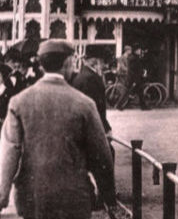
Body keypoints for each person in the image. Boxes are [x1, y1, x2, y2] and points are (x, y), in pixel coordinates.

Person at [0, 40, 118, 218]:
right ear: (67, 63)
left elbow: (9, 152)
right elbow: (100, 155)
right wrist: (109, 198)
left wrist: (2, 196)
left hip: (32, 197)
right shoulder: (84, 103)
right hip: (74, 196)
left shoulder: (19, 102)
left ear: (41, 65)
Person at [71, 46, 112, 135]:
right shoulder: (91, 79)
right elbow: (95, 107)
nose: (104, 66)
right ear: (96, 61)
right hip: (91, 129)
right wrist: (106, 128)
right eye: (103, 62)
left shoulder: (82, 75)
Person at [121, 44, 149, 111]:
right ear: (136, 51)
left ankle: (143, 106)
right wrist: (138, 77)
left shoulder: (135, 57)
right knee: (128, 93)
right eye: (139, 50)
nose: (140, 51)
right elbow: (134, 70)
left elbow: (137, 68)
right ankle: (120, 105)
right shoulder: (134, 58)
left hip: (136, 79)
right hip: (134, 79)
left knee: (138, 92)